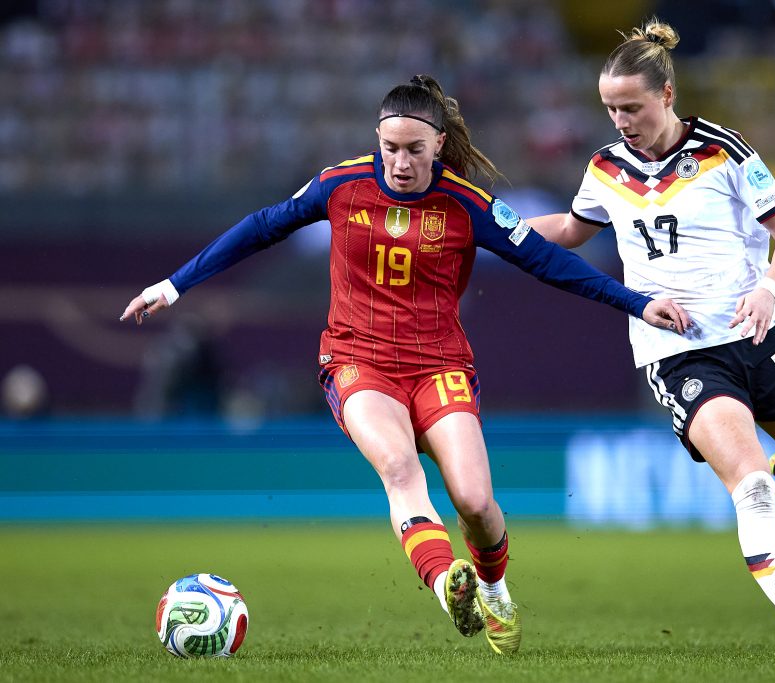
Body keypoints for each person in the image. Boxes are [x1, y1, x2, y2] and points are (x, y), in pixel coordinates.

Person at [120, 74, 686, 656]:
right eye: (390, 148)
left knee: (475, 503)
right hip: (356, 361)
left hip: (440, 366)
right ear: (377, 140)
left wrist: (638, 303)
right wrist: (172, 285)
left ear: (438, 144)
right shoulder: (340, 184)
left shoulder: (469, 205)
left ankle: (494, 590)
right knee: (398, 468)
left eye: (414, 149)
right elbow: (263, 226)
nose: (400, 163)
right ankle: (447, 585)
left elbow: (548, 262)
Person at [528, 20, 775, 657]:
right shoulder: (604, 167)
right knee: (752, 488)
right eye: (611, 109)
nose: (621, 121)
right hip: (679, 353)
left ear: (667, 95)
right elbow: (572, 231)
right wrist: (491, 226)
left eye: (632, 107)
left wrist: (767, 289)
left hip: (759, 334)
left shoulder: (724, 151)